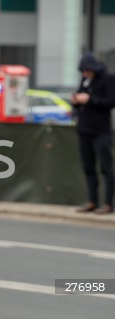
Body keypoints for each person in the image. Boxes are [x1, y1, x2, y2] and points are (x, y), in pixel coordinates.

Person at [72, 53, 115, 214]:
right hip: (84, 129)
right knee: (88, 167)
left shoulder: (108, 79)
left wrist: (90, 99)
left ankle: (108, 203)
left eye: (86, 71)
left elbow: (110, 102)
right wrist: (76, 101)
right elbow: (80, 100)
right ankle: (92, 201)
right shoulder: (85, 80)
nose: (84, 74)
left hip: (101, 131)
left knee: (106, 168)